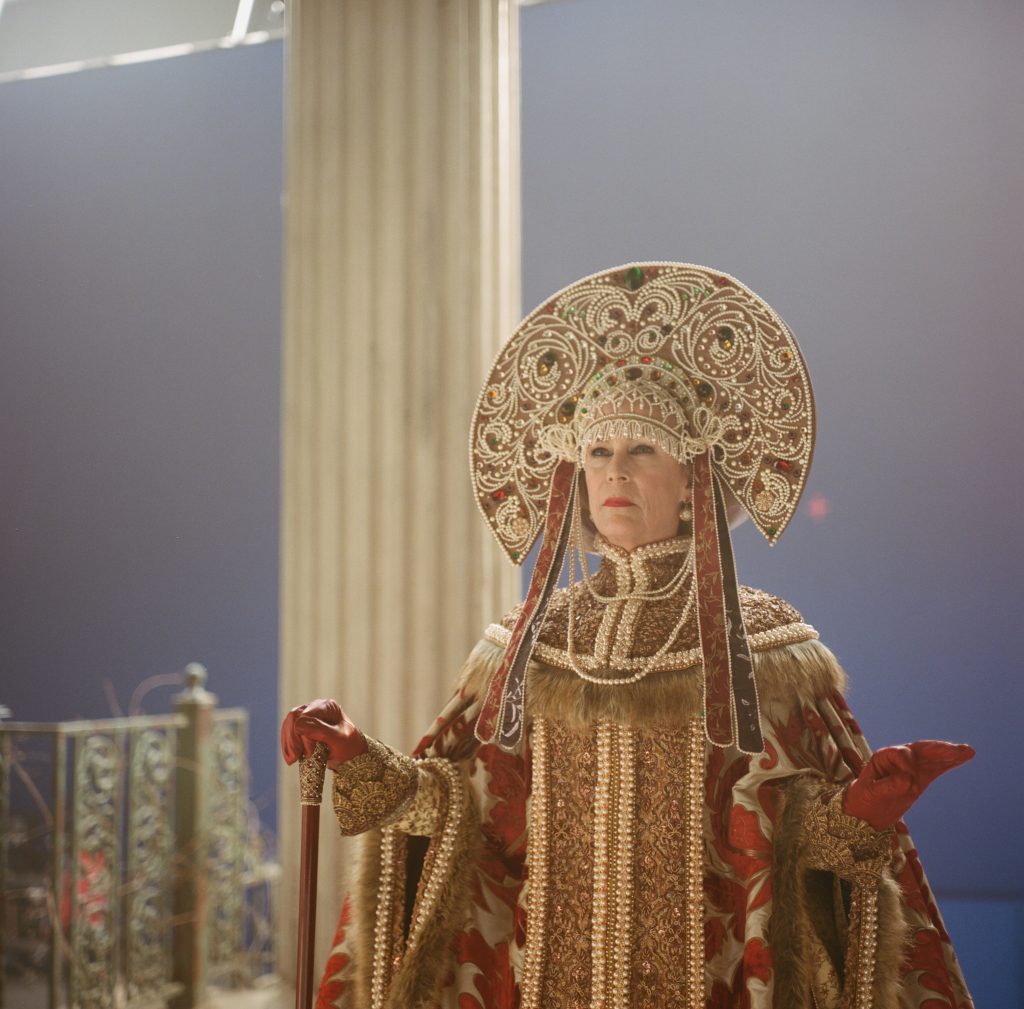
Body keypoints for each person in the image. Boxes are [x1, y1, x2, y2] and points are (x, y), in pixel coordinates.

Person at [282, 263, 974, 1009]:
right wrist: (356, 754)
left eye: (642, 449)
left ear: (691, 482)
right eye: (598, 452)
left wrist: (864, 807)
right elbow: (462, 811)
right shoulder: (526, 646)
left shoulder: (763, 651)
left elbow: (788, 842)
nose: (615, 471)